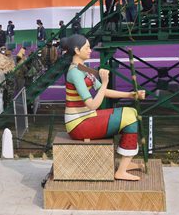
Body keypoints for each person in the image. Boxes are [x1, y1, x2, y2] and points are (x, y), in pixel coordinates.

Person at [61, 35, 145, 181]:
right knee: (130, 119)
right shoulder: (75, 72)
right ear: (77, 50)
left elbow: (102, 91)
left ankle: (125, 163)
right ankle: (121, 171)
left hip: (87, 117)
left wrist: (131, 95)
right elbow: (93, 104)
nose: (90, 50)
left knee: (132, 111)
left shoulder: (83, 68)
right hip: (78, 124)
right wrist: (105, 82)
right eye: (87, 47)